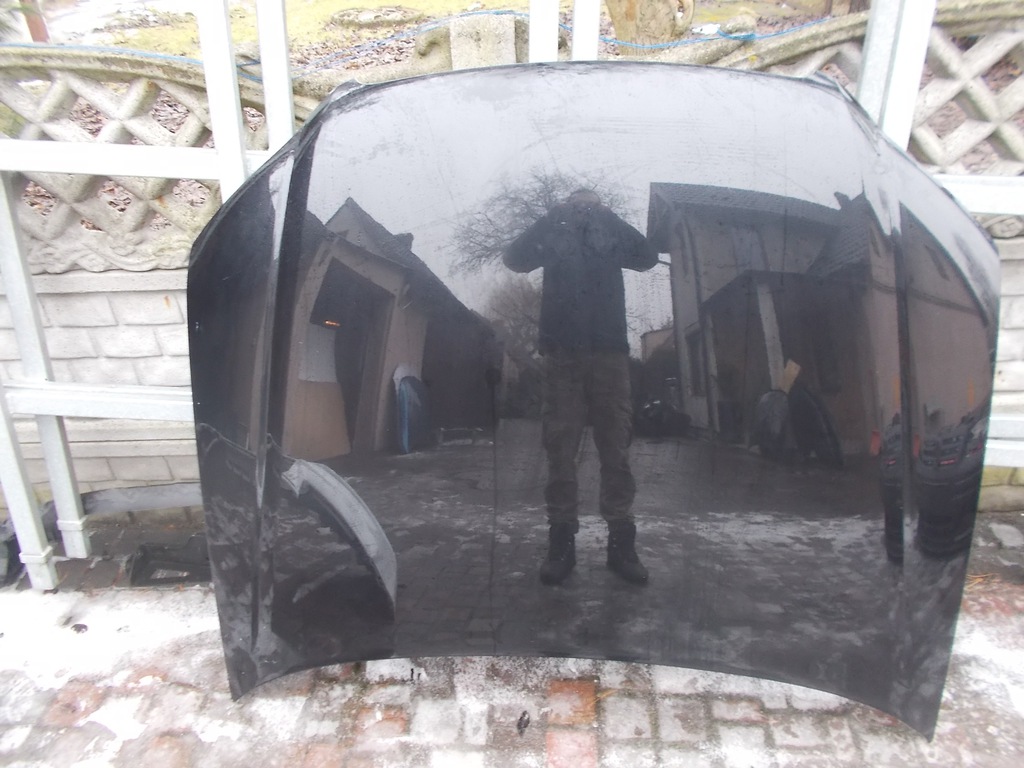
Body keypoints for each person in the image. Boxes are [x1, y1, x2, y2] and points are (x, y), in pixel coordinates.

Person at [503, 189, 658, 585]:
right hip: (562, 354)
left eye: (590, 204)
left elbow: (647, 256)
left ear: (601, 207)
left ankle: (621, 545)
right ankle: (561, 545)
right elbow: (514, 258)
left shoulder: (610, 231)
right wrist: (551, 217)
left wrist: (608, 217)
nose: (583, 210)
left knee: (616, 446)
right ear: (566, 207)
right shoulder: (555, 231)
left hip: (609, 353)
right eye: (577, 204)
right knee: (560, 448)